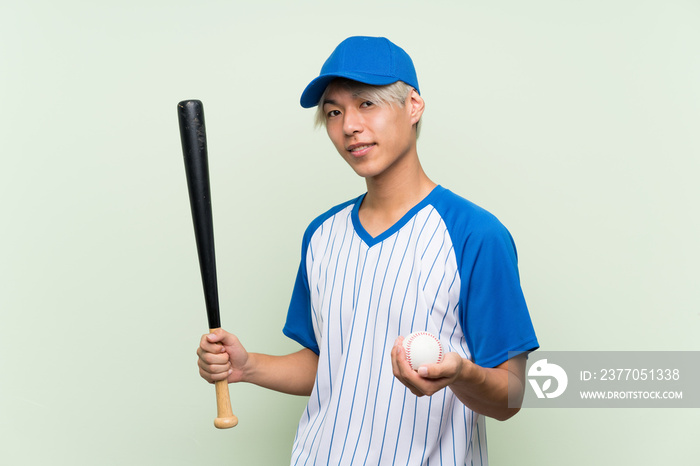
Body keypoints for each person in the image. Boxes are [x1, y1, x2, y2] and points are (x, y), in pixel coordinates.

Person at [197, 36, 539, 465]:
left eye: (366, 104)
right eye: (334, 112)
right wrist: (247, 367)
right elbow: (334, 364)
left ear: (413, 106)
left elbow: (510, 396)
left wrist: (462, 374)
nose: (349, 126)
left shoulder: (475, 234)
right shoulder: (322, 235)